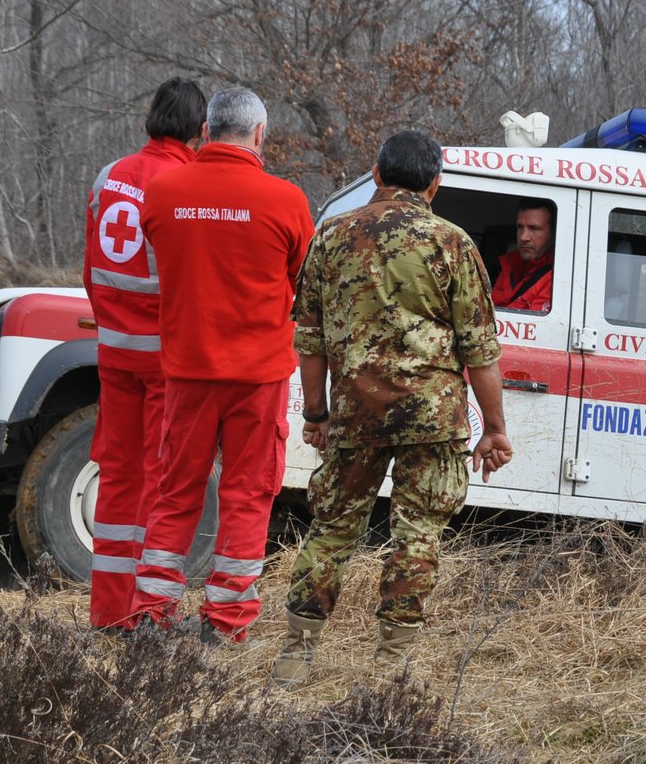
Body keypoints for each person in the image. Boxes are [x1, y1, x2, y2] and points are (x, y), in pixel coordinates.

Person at [272, 129, 513, 689]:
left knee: (332, 529)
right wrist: (494, 429)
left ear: (376, 176)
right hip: (432, 420)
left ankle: (296, 655)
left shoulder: (331, 237)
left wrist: (315, 415)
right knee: (418, 535)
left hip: (356, 415)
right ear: (435, 184)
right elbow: (479, 352)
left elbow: (309, 339)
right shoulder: (453, 243)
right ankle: (390, 664)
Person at [129, 87, 313, 642]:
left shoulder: (162, 193)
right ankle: (227, 621)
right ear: (260, 135)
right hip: (258, 378)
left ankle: (149, 613)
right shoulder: (287, 200)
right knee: (247, 495)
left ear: (206, 131)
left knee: (174, 490)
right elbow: (302, 284)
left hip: (186, 372)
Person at [82, 78, 206, 632]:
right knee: (162, 483)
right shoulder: (185, 184)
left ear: (149, 119)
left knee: (118, 476)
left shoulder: (109, 175)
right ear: (202, 131)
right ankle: (147, 615)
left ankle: (108, 611)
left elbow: (90, 270)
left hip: (113, 352)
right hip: (164, 359)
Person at [489, 197, 556, 313]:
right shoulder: (511, 266)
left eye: (534, 228)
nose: (523, 237)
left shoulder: (558, 278)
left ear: (553, 233)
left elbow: (536, 327)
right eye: (520, 227)